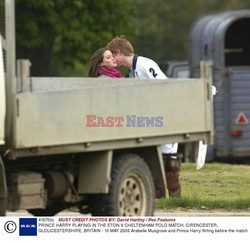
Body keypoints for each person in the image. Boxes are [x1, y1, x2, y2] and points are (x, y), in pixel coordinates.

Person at [106, 35, 181, 197]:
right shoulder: (132, 71)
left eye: (113, 56)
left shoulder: (145, 65)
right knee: (153, 156)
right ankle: (158, 196)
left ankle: (175, 196)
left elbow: (165, 87)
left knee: (167, 156)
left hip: (165, 117)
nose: (113, 60)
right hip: (151, 120)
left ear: (118, 52)